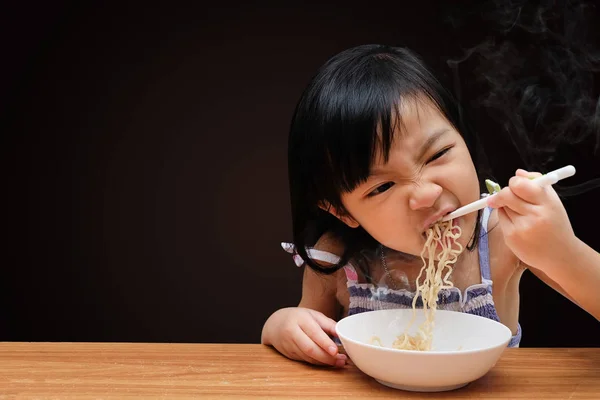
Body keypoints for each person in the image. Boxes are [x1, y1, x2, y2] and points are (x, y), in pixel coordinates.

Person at [261, 44, 600, 368]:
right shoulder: (337, 257)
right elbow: (306, 331)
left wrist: (560, 250)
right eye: (382, 186)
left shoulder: (503, 234)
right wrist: (282, 325)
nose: (425, 194)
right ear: (343, 212)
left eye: (437, 154)